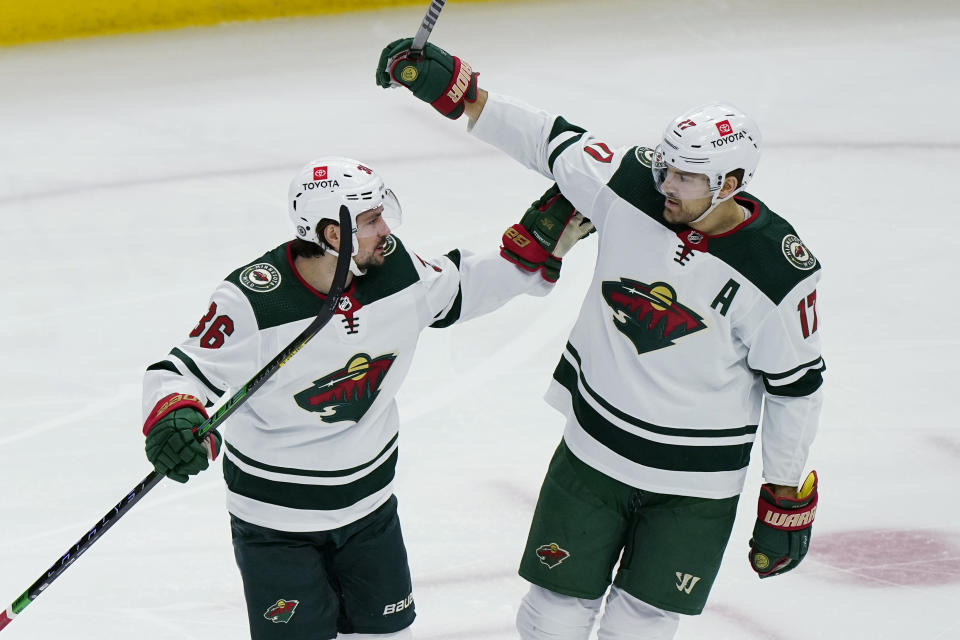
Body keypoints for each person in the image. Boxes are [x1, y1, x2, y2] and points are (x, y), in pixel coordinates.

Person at [376, 41, 824, 640]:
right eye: (667, 166)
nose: (667, 184)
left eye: (689, 177)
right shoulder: (633, 183)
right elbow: (547, 140)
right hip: (594, 454)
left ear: (732, 183)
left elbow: (795, 389)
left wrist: (784, 491)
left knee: (641, 627)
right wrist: (460, 94)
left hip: (696, 485)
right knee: (551, 614)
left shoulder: (777, 273)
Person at [140, 156, 593, 640]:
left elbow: (464, 285)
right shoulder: (255, 299)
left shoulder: (397, 269)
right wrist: (176, 416)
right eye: (372, 219)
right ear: (334, 235)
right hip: (276, 524)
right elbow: (181, 371)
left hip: (369, 512)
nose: (386, 229)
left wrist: (535, 247)